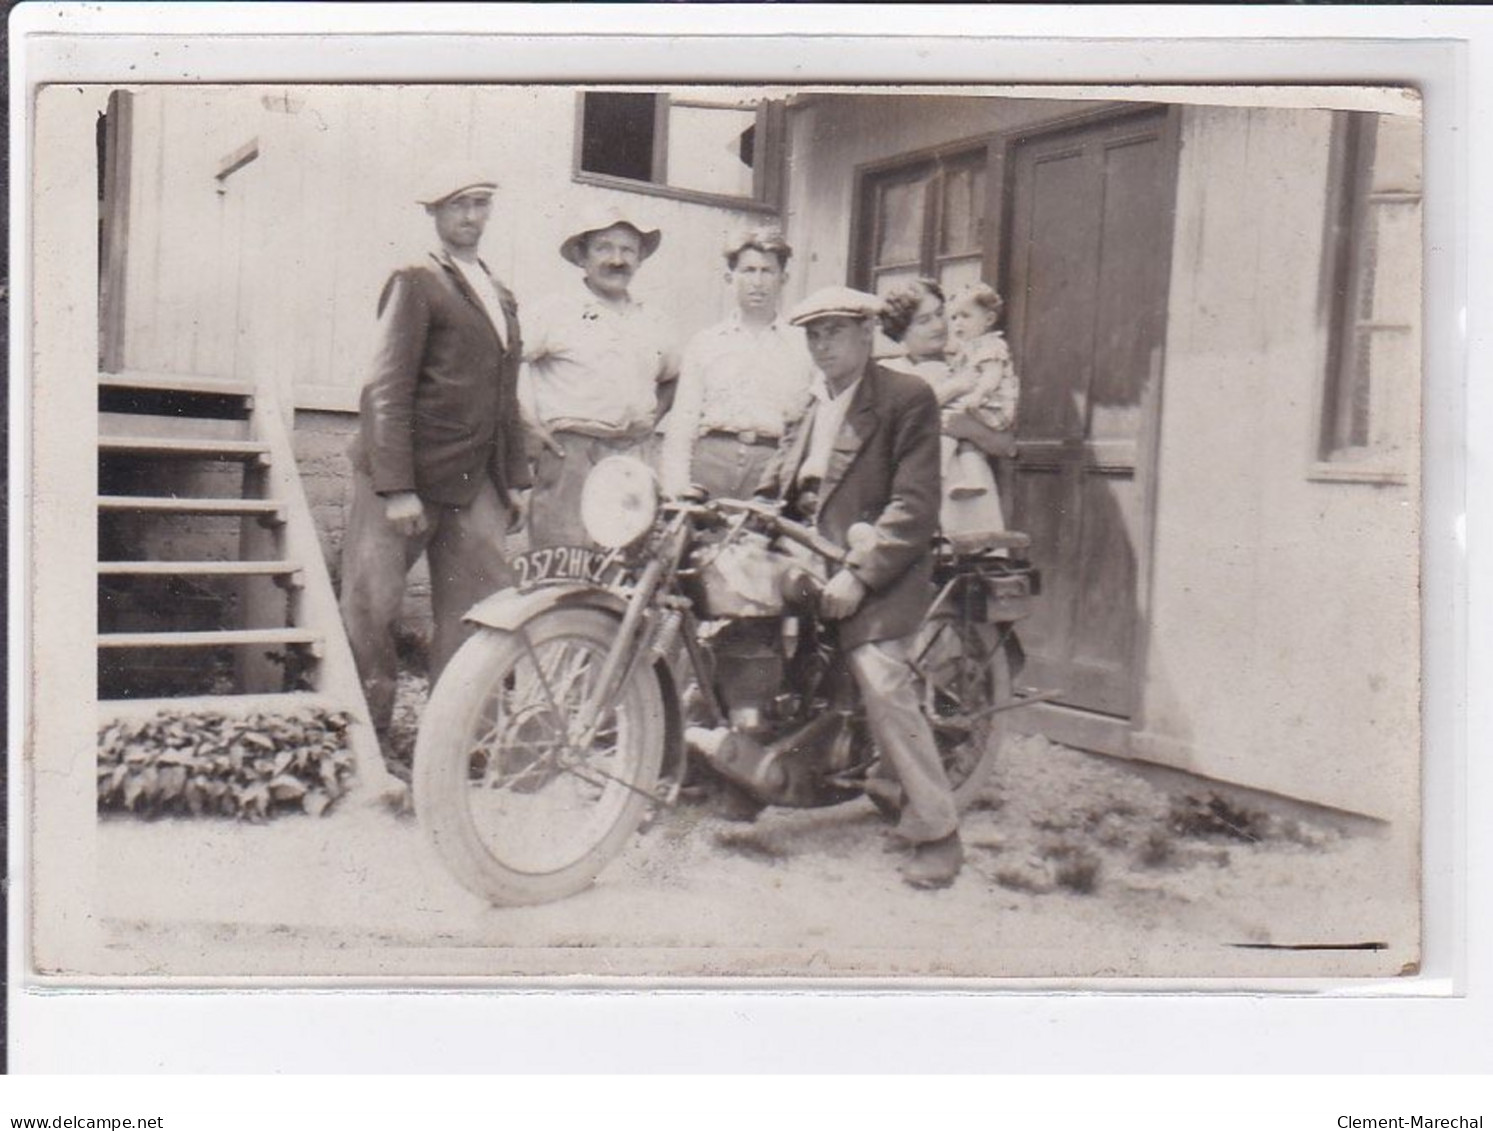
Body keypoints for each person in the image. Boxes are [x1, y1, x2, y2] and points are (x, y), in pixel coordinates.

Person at [757, 285, 964, 889]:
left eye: (834, 332)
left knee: (880, 674)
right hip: (807, 554)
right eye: (813, 335)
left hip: (879, 566)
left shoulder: (906, 397)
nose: (822, 345)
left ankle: (936, 829)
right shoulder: (811, 403)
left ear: (867, 333)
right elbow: (778, 487)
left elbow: (915, 504)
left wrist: (857, 573)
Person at [340, 163, 529, 777]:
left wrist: (517, 478)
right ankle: (367, 744)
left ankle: (453, 746)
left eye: (480, 204)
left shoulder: (500, 293)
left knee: (479, 609)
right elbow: (387, 388)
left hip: (475, 480)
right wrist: (396, 488)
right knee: (374, 607)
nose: (471, 217)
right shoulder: (417, 278)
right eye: (458, 206)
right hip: (404, 480)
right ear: (435, 214)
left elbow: (505, 396)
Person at [519, 206, 676, 548]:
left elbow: (673, 377)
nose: (616, 260)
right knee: (563, 564)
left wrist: (652, 419)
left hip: (633, 458)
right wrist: (526, 422)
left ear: (639, 259)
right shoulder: (554, 311)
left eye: (627, 250)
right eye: (604, 247)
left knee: (625, 566)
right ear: (581, 256)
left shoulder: (653, 319)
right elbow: (503, 361)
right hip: (572, 457)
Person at [657, 226, 813, 500]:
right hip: (710, 465)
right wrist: (677, 486)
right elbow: (683, 423)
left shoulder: (803, 345)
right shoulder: (705, 343)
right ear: (730, 278)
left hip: (771, 470)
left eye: (767, 271)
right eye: (748, 271)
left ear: (783, 278)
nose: (758, 281)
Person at [880, 278, 1013, 552]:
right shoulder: (889, 374)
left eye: (941, 314)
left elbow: (1008, 445)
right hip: (911, 495)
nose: (939, 326)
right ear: (901, 330)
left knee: (971, 569)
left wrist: (968, 428)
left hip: (969, 492)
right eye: (924, 320)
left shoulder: (970, 363)